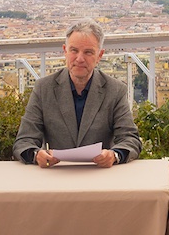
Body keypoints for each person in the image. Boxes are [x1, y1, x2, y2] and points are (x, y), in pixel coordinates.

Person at [13, 18, 141, 168]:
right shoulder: (44, 88)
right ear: (65, 51)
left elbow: (130, 138)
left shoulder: (115, 90)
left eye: (88, 52)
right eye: (74, 50)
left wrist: (114, 155)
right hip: (57, 174)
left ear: (99, 56)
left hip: (100, 176)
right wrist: (36, 155)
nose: (80, 59)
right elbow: (23, 141)